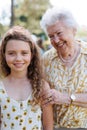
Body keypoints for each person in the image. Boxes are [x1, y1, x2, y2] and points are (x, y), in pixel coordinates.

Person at [40, 7, 87, 129]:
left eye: (59, 33)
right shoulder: (46, 59)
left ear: (73, 30)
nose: (56, 40)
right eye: (51, 36)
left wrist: (67, 98)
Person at [0, 26, 53, 130]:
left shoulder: (41, 86)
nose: (18, 58)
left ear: (32, 55)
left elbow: (48, 126)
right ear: (4, 54)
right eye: (11, 53)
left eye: (24, 53)